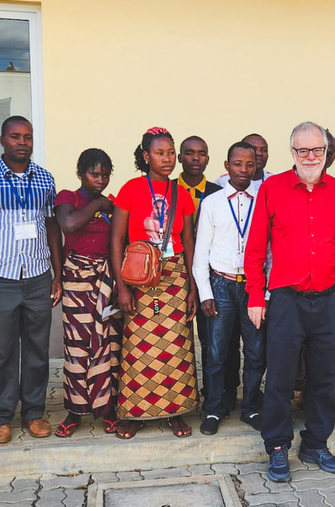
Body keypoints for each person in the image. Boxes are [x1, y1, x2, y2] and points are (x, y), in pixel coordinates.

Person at [246, 122, 335, 482]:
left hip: (329, 299)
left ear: (327, 152)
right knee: (279, 376)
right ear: (292, 152)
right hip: (286, 299)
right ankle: (278, 446)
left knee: (324, 377)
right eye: (303, 151)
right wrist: (255, 296)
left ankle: (315, 443)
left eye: (318, 151)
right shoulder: (272, 188)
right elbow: (254, 248)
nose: (310, 157)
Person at [0, 116, 63, 444]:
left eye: (28, 137)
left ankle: (34, 412)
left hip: (37, 277)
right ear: (3, 140)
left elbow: (51, 227)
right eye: (15, 136)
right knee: (1, 351)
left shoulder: (44, 180)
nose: (22, 142)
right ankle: (2, 416)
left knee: (37, 349)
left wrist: (57, 274)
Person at [110, 128, 200, 439]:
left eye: (171, 153)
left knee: (176, 347)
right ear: (146, 156)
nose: (168, 159)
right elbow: (116, 238)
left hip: (174, 276)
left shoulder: (182, 193)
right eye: (160, 153)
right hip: (138, 276)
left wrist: (192, 286)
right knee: (138, 349)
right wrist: (121, 287)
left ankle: (176, 413)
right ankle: (136, 414)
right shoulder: (131, 189)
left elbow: (188, 240)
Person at [193, 141, 266, 434]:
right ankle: (213, 409)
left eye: (250, 164)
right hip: (221, 285)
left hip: (253, 285)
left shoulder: (263, 199)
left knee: (256, 351)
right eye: (238, 164)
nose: (244, 170)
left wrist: (267, 292)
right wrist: (205, 293)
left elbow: (270, 251)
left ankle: (250, 408)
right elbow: (201, 254)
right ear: (226, 166)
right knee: (216, 352)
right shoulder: (212, 202)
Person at [52, 148, 121, 437]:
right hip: (77, 281)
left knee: (108, 345)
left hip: (108, 281)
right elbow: (68, 224)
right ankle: (75, 410)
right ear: (81, 172)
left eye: (105, 175)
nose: (100, 179)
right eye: (94, 173)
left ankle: (108, 409)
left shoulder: (114, 203)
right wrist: (99, 205)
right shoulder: (69, 198)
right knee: (78, 346)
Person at [176, 135, 226, 408]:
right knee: (174, 335)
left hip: (211, 274)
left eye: (202, 153)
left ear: (208, 158)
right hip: (174, 273)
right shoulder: (169, 190)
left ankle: (213, 393)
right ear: (180, 157)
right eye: (190, 153)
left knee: (211, 338)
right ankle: (177, 393)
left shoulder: (218, 193)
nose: (196, 158)